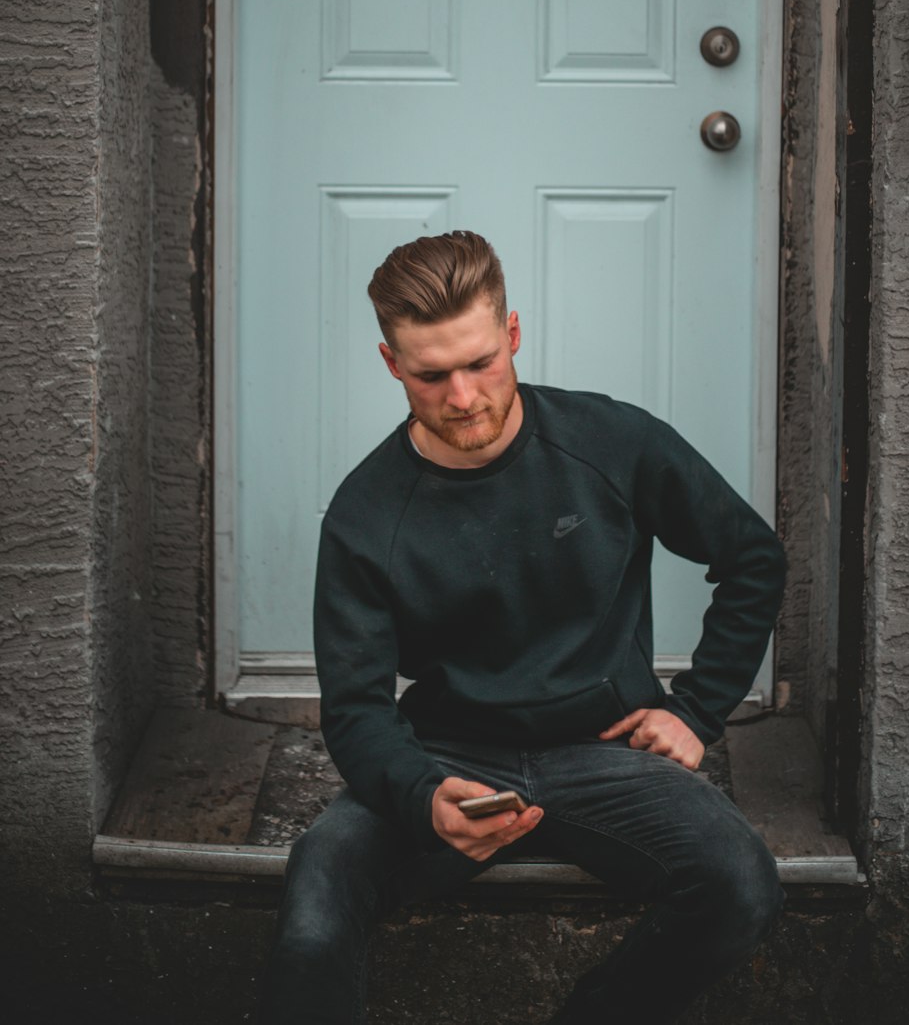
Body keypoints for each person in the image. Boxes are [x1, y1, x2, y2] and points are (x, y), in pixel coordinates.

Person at [263, 231, 786, 1024]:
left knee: (740, 883)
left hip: (605, 749)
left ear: (512, 334)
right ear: (392, 364)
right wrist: (422, 794)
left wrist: (696, 710)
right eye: (432, 375)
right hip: (448, 758)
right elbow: (357, 712)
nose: (464, 396)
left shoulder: (612, 442)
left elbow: (753, 558)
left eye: (481, 362)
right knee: (313, 905)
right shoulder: (367, 514)